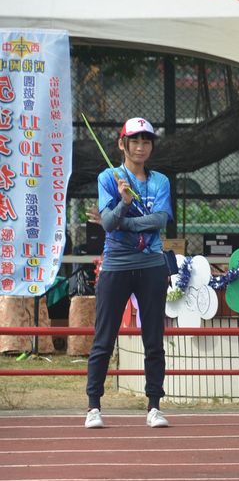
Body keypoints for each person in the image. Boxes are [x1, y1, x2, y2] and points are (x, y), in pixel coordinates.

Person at [85, 118, 174, 429]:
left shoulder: (160, 181)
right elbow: (108, 224)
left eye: (146, 141)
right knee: (104, 338)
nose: (140, 147)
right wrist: (123, 203)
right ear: (122, 144)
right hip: (116, 265)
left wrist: (122, 221)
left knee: (154, 338)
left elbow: (160, 220)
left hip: (152, 265)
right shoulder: (109, 178)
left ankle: (154, 406)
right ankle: (93, 406)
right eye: (134, 141)